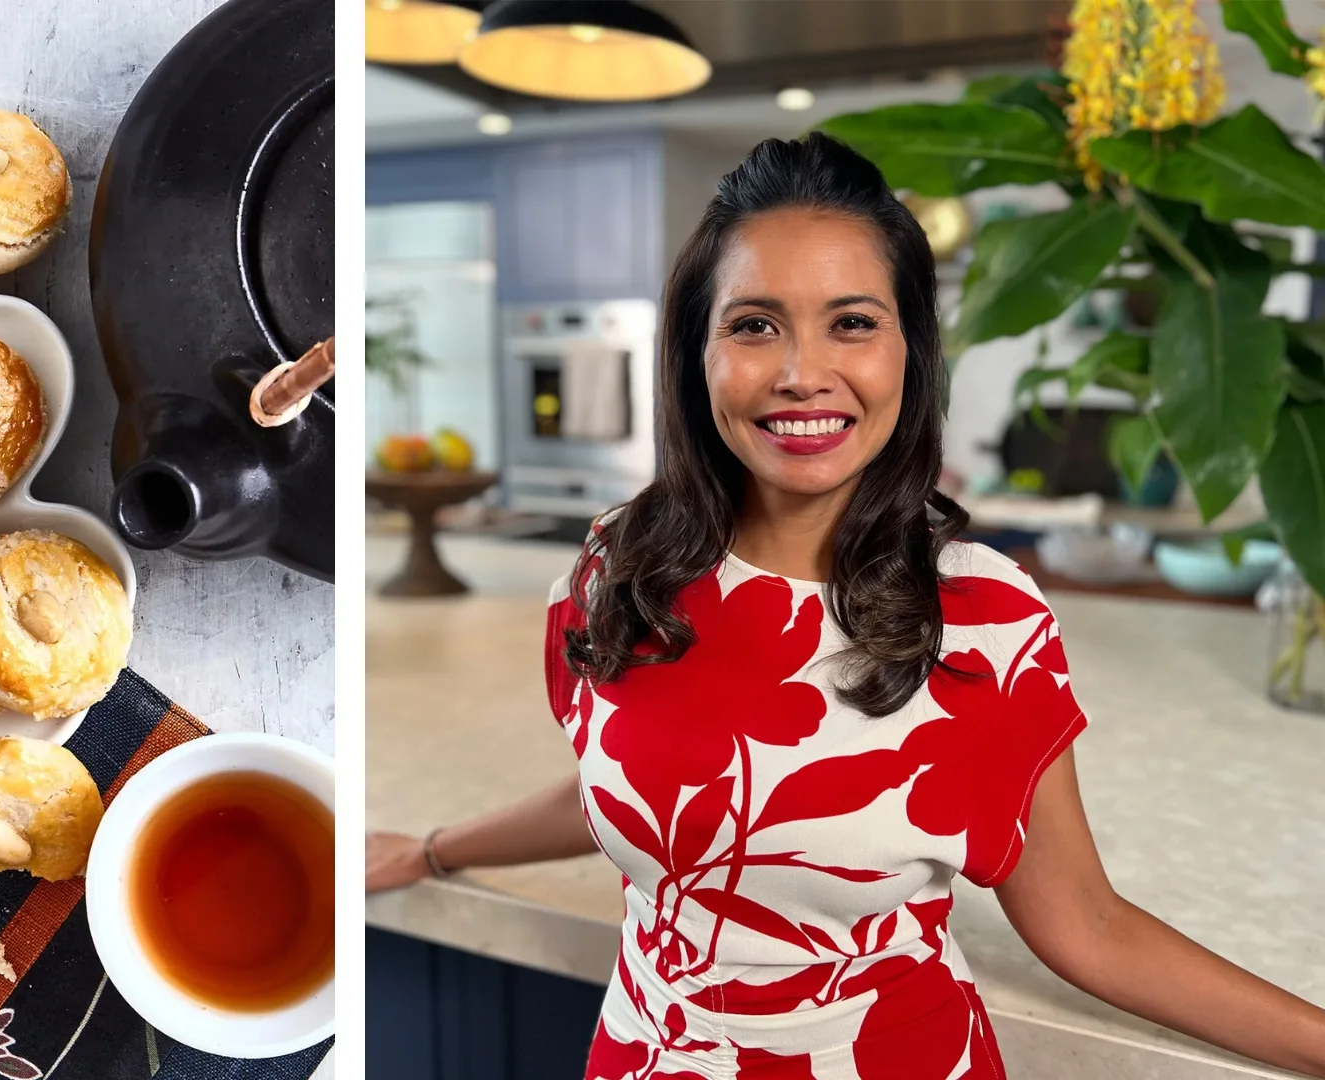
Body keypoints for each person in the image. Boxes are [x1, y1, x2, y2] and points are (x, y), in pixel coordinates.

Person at [365, 133, 1325, 1079]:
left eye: (852, 322)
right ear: (697, 354)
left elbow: (1089, 926)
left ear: (910, 351)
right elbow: (637, 788)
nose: (800, 372)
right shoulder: (619, 567)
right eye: (754, 324)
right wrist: (438, 849)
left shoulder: (988, 621)